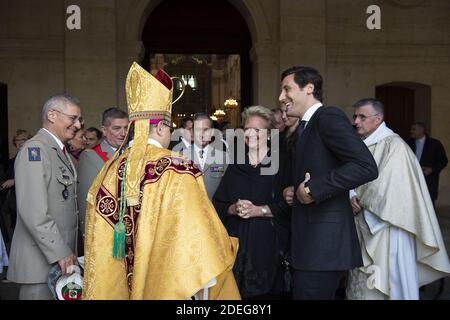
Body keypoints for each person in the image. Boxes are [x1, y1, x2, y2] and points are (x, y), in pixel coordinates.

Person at [83, 62, 239, 300]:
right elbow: (197, 236)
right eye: (170, 126)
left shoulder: (110, 168)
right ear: (160, 129)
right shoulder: (178, 168)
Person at [278, 66, 378, 300]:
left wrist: (313, 189)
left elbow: (366, 166)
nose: (281, 97)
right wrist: (295, 191)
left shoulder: (328, 117)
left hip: (323, 246)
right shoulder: (305, 126)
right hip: (310, 244)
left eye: (287, 89)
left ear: (309, 88)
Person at [347, 98, 450, 300]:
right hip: (361, 223)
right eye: (355, 116)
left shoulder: (394, 146)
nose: (356, 121)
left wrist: (360, 199)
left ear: (378, 119)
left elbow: (389, 187)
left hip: (386, 224)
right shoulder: (362, 144)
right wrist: (350, 194)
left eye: (362, 117)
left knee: (387, 280)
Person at [7, 94, 82, 300]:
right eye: (73, 118)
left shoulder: (59, 151)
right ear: (52, 115)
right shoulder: (35, 149)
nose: (77, 125)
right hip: (40, 266)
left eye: (78, 120)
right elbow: (34, 213)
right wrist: (61, 253)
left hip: (59, 264)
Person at [213, 106, 289, 299]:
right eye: (247, 129)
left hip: (268, 248)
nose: (250, 134)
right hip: (236, 247)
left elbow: (290, 206)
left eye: (257, 130)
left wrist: (259, 210)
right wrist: (233, 208)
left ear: (270, 135)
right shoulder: (236, 164)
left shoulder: (282, 164)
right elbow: (219, 203)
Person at [77, 108, 129, 243]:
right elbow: (86, 203)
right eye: (117, 128)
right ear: (104, 130)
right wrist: (89, 238)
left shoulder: (131, 154)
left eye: (126, 128)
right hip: (104, 234)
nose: (123, 133)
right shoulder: (91, 156)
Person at [182, 112, 227, 200]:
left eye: (206, 130)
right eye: (198, 130)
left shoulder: (224, 158)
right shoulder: (180, 157)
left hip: (215, 211)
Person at [0, 129, 32, 240]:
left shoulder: (34, 158)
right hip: (15, 202)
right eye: (17, 140)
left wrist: (14, 181)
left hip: (29, 201)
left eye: (23, 139)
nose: (20, 142)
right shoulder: (12, 161)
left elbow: (33, 177)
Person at [408, 122, 448, 207]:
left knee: (428, 205)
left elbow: (443, 161)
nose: (411, 131)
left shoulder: (435, 144)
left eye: (413, 129)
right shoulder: (408, 143)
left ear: (422, 130)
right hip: (412, 178)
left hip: (429, 179)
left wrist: (432, 169)